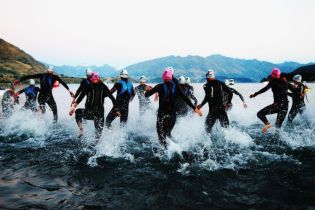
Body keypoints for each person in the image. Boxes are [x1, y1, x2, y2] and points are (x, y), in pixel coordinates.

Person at [145, 68, 202, 148]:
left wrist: (147, 90)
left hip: (162, 115)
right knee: (168, 134)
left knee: (161, 137)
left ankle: (164, 153)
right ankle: (174, 148)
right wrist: (195, 109)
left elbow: (146, 95)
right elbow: (186, 99)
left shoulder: (159, 86)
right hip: (172, 115)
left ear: (163, 77)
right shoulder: (177, 88)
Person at [69, 72, 116, 140]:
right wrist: (116, 109)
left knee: (78, 112)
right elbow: (112, 98)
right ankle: (95, 142)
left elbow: (81, 96)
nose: (94, 80)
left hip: (92, 113)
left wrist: (74, 107)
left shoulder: (90, 86)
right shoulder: (103, 86)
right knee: (98, 135)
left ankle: (81, 130)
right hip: (99, 114)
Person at [250, 68, 288, 133]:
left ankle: (267, 124)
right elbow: (292, 89)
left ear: (272, 75)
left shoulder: (273, 81)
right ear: (279, 75)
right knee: (277, 128)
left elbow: (265, 89)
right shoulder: (285, 81)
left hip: (277, 106)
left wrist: (255, 94)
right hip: (285, 107)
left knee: (260, 114)